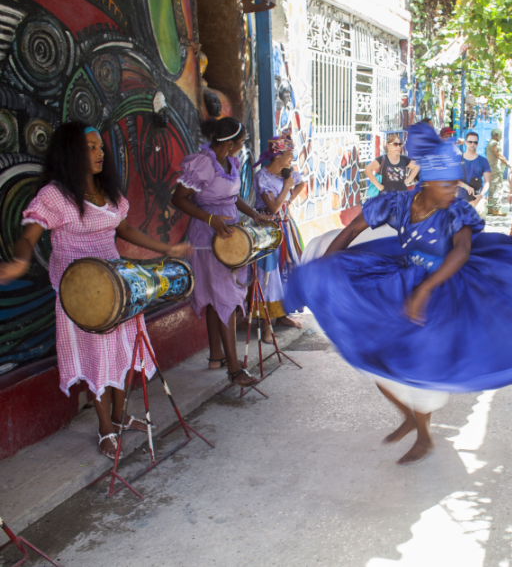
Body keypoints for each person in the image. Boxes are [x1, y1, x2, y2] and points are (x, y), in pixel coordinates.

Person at [280, 122, 512, 464]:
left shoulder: (456, 210)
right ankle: (410, 419)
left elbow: (461, 252)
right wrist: (325, 266)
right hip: (403, 279)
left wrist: (425, 289)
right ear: (426, 184)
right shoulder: (398, 203)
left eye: (456, 183)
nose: (455, 190)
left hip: (446, 287)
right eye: (447, 184)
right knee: (377, 361)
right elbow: (353, 228)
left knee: (420, 366)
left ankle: (424, 436)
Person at [0, 122, 191, 459]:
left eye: (100, 146)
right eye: (90, 147)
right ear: (72, 152)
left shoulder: (109, 192)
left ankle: (120, 416)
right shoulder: (55, 196)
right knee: (97, 358)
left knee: (123, 351)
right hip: (81, 295)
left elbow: (126, 229)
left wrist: (166, 248)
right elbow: (29, 234)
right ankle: (105, 428)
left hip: (117, 286)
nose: (99, 153)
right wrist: (19, 261)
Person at [171, 117, 272, 388]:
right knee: (225, 295)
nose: (242, 147)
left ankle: (217, 356)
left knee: (220, 295)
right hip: (208, 239)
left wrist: (254, 215)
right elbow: (178, 198)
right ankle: (235, 369)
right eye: (241, 143)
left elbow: (231, 197)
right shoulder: (203, 162)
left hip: (230, 235)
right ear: (229, 143)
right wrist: (209, 219)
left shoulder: (231, 162)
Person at [250, 134, 306, 340]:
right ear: (278, 155)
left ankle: (282, 315)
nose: (292, 159)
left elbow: (301, 184)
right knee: (269, 276)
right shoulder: (262, 177)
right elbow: (273, 207)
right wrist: (287, 188)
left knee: (287, 270)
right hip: (268, 232)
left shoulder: (287, 173)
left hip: (286, 227)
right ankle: (266, 326)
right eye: (290, 155)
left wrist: (289, 199)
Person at [457, 131, 491, 218]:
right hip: (460, 201)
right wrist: (466, 186)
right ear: (465, 143)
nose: (472, 144)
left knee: (480, 229)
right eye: (470, 142)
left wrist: (481, 195)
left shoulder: (483, 161)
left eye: (475, 142)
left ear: (477, 144)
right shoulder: (457, 159)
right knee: (461, 230)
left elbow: (487, 182)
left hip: (477, 200)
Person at [486, 128, 510, 216]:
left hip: (490, 168)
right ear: (496, 134)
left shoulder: (489, 143)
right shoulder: (494, 143)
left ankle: (490, 208)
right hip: (495, 168)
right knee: (497, 187)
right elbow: (499, 155)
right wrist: (508, 164)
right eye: (500, 134)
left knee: (492, 188)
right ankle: (496, 209)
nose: (501, 137)